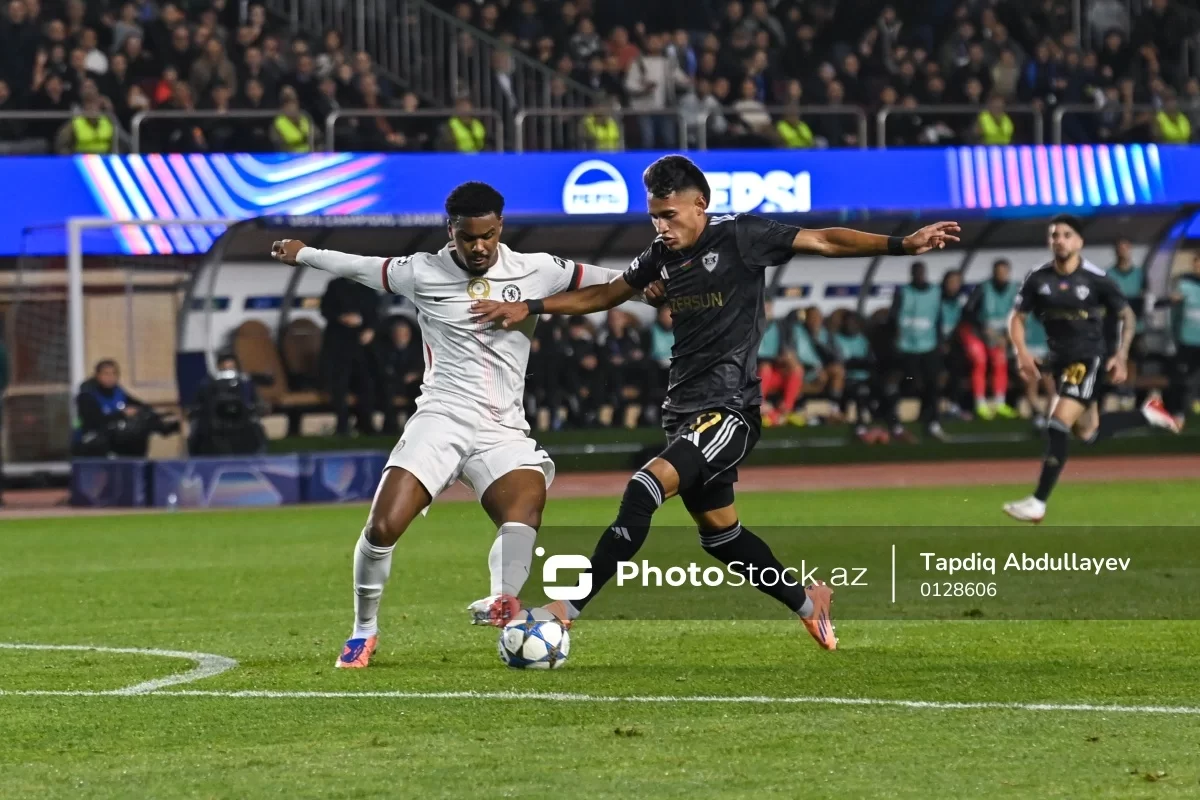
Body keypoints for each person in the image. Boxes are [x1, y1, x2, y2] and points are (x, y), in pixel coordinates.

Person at [473, 155, 960, 651]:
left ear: (700, 205)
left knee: (643, 488)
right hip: (683, 411)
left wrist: (902, 244)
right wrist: (530, 306)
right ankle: (810, 605)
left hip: (729, 409)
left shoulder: (741, 235)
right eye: (654, 217)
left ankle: (567, 608)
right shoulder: (660, 255)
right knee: (721, 536)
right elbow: (606, 295)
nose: (661, 227)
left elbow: (824, 239)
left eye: (669, 215)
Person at [270, 182, 646, 669]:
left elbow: (612, 281)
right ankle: (364, 631)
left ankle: (503, 600)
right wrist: (304, 253)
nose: (480, 246)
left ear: (500, 227)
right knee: (382, 527)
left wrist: (656, 289)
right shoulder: (420, 271)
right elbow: (358, 265)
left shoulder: (537, 269)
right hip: (440, 419)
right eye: (469, 237)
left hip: (503, 429)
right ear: (451, 231)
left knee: (524, 509)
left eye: (488, 235)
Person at [1003, 215, 1179, 523]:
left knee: (1058, 423)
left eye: (1066, 235)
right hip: (1060, 361)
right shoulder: (1038, 278)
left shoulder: (1096, 278)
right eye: (1055, 235)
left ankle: (1038, 502)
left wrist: (1121, 355)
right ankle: (1148, 414)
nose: (1060, 240)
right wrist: (1021, 352)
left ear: (1079, 242)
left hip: (1087, 359)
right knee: (1087, 432)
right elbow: (1017, 317)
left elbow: (1127, 316)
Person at [884, 261, 945, 442]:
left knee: (932, 384)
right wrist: (895, 339)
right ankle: (896, 421)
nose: (919, 275)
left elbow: (938, 318)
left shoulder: (935, 292)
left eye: (921, 272)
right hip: (907, 348)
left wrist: (940, 342)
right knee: (909, 383)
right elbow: (893, 317)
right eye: (916, 272)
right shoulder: (903, 292)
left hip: (929, 346)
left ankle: (932, 421)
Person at [73, 360, 180, 458]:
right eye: (106, 374)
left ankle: (169, 425)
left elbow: (139, 405)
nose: (110, 377)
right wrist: (122, 414)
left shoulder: (117, 391)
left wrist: (158, 414)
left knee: (143, 421)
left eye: (114, 373)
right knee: (131, 428)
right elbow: (95, 421)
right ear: (97, 375)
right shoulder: (87, 396)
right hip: (94, 438)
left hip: (116, 434)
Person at [320, 275, 380, 436]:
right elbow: (325, 310)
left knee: (366, 383)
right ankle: (343, 425)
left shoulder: (369, 285)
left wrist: (371, 330)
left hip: (362, 345)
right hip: (338, 345)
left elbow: (375, 313)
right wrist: (342, 317)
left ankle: (366, 423)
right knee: (340, 384)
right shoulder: (335, 285)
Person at [962, 259, 1019, 420]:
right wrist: (984, 329)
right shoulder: (982, 288)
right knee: (979, 362)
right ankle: (980, 403)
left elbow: (1018, 315)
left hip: (999, 336)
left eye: (1004, 272)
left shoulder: (1014, 290)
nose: (1001, 275)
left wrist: (1008, 335)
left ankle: (999, 403)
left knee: (1000, 363)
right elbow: (968, 312)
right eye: (998, 272)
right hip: (977, 332)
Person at [187, 353, 266, 455]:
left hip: (244, 425)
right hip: (213, 429)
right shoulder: (207, 384)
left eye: (231, 365)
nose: (229, 368)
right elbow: (197, 407)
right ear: (219, 366)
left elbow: (256, 402)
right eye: (226, 365)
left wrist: (256, 408)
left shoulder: (245, 382)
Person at [1165, 253, 1200, 427]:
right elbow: (1173, 301)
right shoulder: (1184, 285)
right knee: (1183, 379)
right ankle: (1179, 413)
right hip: (1187, 341)